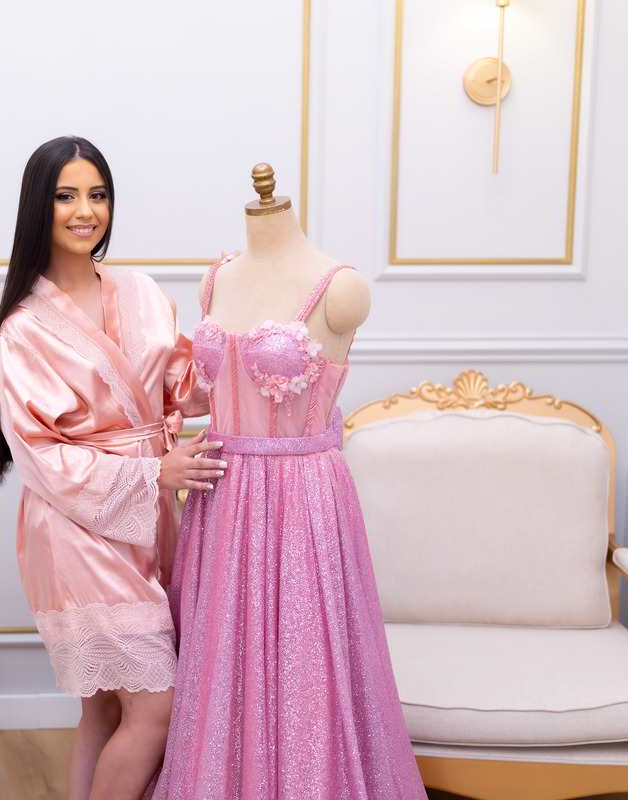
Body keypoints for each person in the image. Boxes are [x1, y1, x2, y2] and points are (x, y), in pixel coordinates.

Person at [154, 166, 426, 799]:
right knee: (222, 659)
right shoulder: (215, 280)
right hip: (221, 496)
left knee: (305, 657)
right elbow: (201, 392)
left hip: (301, 496)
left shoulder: (341, 287)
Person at [0, 136, 218, 800]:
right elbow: (39, 454)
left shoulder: (140, 291)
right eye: (66, 196)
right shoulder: (23, 328)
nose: (85, 211)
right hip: (76, 529)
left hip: (151, 516)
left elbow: (184, 385)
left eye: (98, 195)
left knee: (106, 709)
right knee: (156, 707)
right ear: (39, 206)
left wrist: (252, 349)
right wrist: (151, 476)